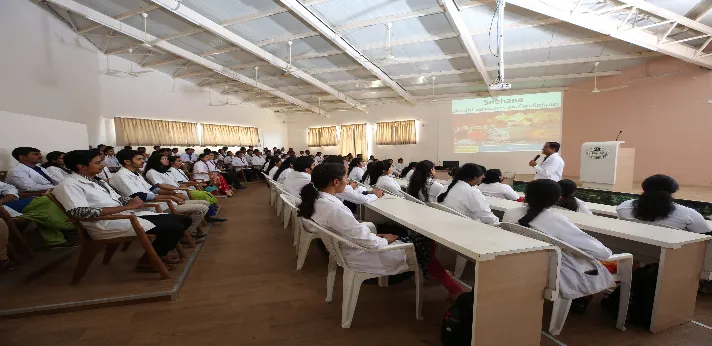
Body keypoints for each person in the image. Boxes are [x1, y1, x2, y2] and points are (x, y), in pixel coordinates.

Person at [298, 163, 464, 299]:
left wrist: (377, 235)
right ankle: (446, 281)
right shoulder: (333, 208)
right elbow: (365, 240)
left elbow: (351, 231)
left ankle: (438, 275)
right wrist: (386, 239)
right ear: (336, 182)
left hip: (350, 247)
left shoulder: (319, 201)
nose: (347, 180)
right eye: (345, 177)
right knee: (424, 242)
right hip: (363, 253)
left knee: (420, 242)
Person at [54, 150, 191, 272]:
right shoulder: (69, 185)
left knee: (184, 219)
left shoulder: (98, 181)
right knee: (174, 226)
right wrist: (127, 207)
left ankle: (157, 255)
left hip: (124, 216)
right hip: (104, 224)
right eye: (98, 163)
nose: (103, 165)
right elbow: (80, 213)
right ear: (81, 166)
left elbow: (117, 198)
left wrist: (130, 201)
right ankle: (149, 260)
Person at [503, 179, 614, 310]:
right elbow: (602, 253)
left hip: (523, 264)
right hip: (555, 270)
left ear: (526, 194)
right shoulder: (556, 220)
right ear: (557, 198)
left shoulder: (510, 213)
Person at [111, 150, 211, 241]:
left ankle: (184, 233)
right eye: (139, 159)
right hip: (148, 207)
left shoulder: (135, 174)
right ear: (127, 161)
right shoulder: (122, 176)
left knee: (204, 203)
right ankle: (186, 235)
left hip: (161, 202)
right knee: (201, 208)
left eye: (142, 158)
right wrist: (170, 197)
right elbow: (139, 196)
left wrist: (173, 193)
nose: (143, 161)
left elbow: (152, 189)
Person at [144, 153, 225, 223]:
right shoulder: (152, 172)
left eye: (166, 159)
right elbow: (160, 185)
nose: (166, 160)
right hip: (176, 192)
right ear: (156, 161)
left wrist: (181, 186)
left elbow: (176, 182)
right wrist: (176, 189)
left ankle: (210, 213)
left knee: (206, 193)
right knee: (204, 195)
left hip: (180, 189)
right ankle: (209, 216)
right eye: (164, 159)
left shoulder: (164, 171)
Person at [617, 175, 712, 234]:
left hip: (632, 251)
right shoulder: (687, 215)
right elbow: (706, 234)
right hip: (673, 258)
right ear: (672, 191)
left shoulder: (624, 207)